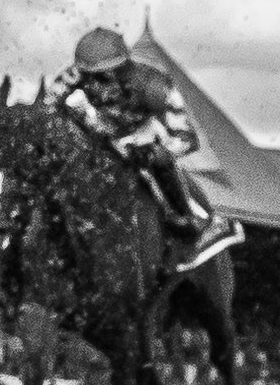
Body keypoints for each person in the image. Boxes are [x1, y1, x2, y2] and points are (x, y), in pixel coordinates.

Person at [49, 27, 241, 264]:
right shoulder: (72, 76)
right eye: (88, 76)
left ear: (122, 68)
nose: (93, 84)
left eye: (102, 77)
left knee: (160, 166)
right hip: (94, 135)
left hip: (140, 136)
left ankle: (189, 220)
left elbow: (187, 137)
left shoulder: (155, 85)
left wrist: (157, 152)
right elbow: (45, 111)